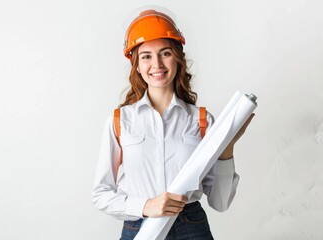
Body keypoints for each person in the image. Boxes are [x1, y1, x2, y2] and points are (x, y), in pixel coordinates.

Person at [92, 7, 254, 240]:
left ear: (177, 58)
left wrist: (226, 150)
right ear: (137, 65)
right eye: (146, 56)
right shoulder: (120, 122)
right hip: (139, 227)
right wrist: (146, 206)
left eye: (165, 53)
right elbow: (101, 194)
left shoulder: (201, 121)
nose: (156, 63)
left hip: (191, 227)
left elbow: (220, 202)